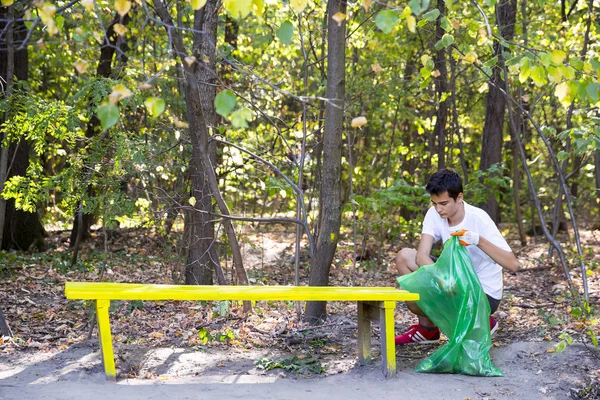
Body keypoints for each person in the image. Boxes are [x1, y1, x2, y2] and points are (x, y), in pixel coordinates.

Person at [395, 169, 519, 345]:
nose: (439, 209)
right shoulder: (434, 213)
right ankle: (427, 331)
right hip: (453, 282)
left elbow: (513, 264)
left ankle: (482, 321)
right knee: (404, 257)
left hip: (482, 292)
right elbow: (421, 256)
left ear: (459, 198)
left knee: (428, 294)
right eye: (435, 203)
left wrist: (478, 240)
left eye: (444, 203)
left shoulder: (478, 219)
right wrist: (444, 280)